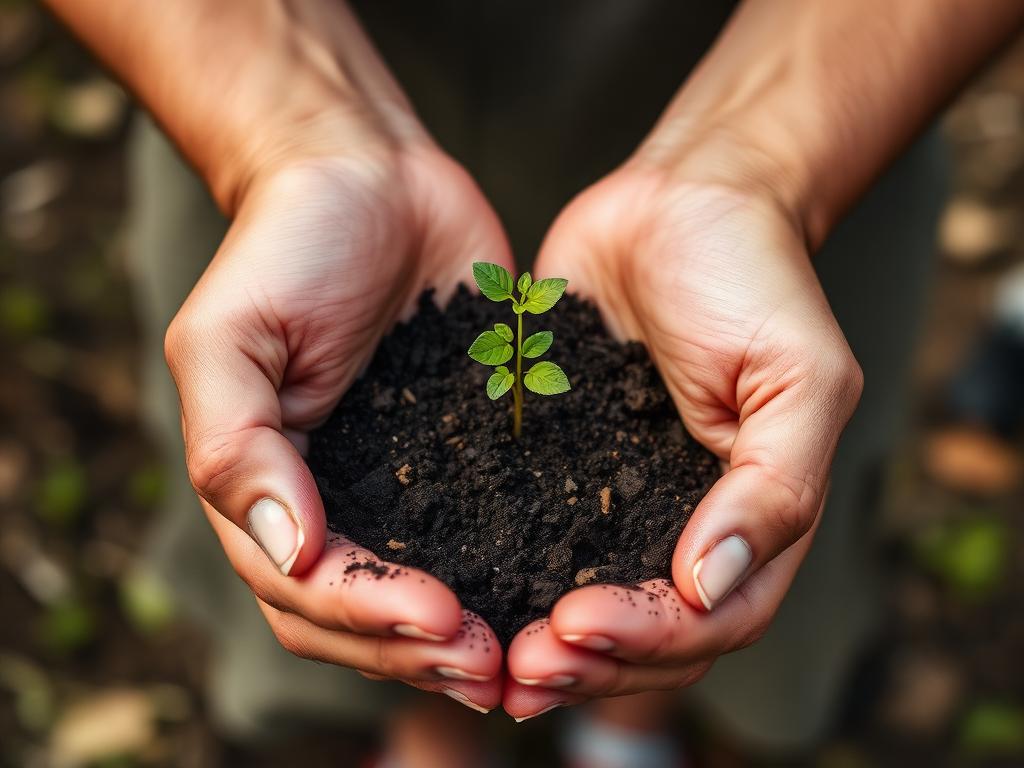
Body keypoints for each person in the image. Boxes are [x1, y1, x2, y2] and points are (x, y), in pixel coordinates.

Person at [44, 1, 1024, 765]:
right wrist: (290, 136)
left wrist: (757, 169)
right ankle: (434, 727)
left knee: (717, 451)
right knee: (344, 498)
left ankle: (634, 719)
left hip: (820, 83)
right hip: (245, 58)